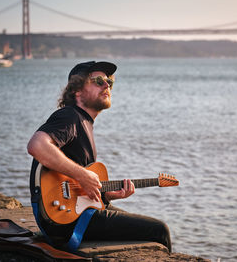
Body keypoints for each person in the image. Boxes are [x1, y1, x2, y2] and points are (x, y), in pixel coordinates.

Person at [27, 61, 171, 252]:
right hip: (64, 221)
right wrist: (82, 175)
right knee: (159, 230)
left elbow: (78, 189)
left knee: (143, 225)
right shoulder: (70, 116)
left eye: (109, 82)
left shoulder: (84, 123)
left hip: (75, 214)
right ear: (77, 91)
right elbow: (37, 145)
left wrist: (107, 196)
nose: (107, 86)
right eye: (98, 81)